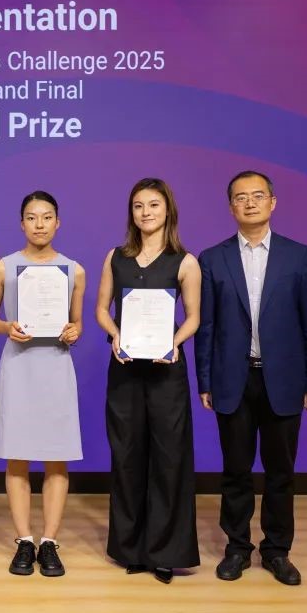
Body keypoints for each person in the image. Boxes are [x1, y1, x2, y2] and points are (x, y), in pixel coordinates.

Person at [195, 170, 307, 586]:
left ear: (272, 202)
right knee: (235, 470)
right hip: (232, 379)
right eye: (240, 197)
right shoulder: (212, 259)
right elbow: (206, 327)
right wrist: (204, 380)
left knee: (280, 472)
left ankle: (277, 550)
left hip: (284, 380)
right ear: (230, 206)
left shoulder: (298, 256)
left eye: (257, 195)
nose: (249, 203)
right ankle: (237, 548)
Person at [95, 177, 201, 584]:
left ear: (168, 209)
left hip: (165, 370)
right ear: (131, 212)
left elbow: (193, 317)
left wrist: (174, 342)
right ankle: (131, 549)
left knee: (169, 459)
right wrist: (115, 335)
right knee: (127, 456)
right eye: (138, 206)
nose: (146, 212)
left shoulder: (185, 262)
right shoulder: (115, 257)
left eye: (154, 205)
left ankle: (166, 552)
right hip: (125, 368)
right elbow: (102, 309)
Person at [0, 191, 85, 577]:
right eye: (31, 217)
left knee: (57, 456)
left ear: (58, 222)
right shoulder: (3, 267)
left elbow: (77, 322)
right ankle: (24, 540)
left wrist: (75, 331)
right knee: (18, 455)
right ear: (21, 223)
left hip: (56, 366)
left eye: (46, 217)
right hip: (19, 366)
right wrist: (6, 327)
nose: (39, 224)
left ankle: (50, 542)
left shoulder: (74, 270)